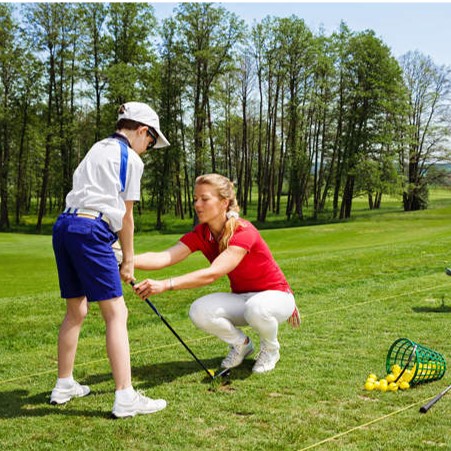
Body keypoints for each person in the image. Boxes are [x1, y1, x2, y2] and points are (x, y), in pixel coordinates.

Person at [51, 101, 170, 418]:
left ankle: (64, 385)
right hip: (91, 229)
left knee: (76, 309)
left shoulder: (98, 147)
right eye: (150, 142)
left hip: (65, 227)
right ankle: (125, 397)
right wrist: (128, 260)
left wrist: (112, 251)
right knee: (117, 312)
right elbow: (126, 217)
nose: (148, 149)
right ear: (142, 131)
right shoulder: (130, 158)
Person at [133, 173, 300, 374]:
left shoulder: (243, 231)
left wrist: (166, 284)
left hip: (277, 296)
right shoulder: (202, 234)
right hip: (244, 298)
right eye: (195, 199)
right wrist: (125, 261)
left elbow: (213, 273)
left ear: (224, 202)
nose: (197, 204)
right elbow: (164, 257)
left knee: (257, 308)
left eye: (205, 199)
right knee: (199, 310)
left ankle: (271, 349)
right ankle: (242, 344)